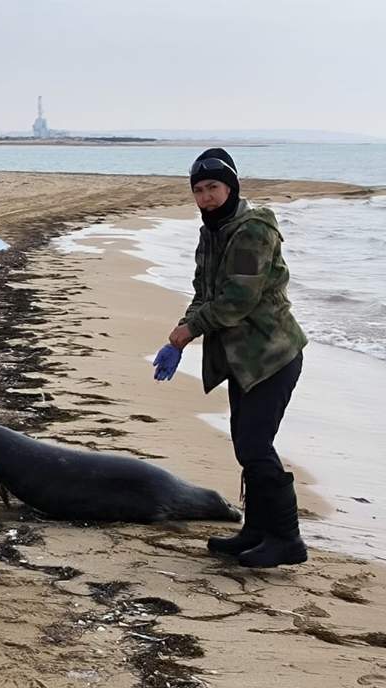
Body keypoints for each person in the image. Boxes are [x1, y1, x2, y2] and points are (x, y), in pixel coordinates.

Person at [154, 148, 308, 568]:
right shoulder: (212, 232)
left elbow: (238, 300)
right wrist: (179, 335)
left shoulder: (253, 229)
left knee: (256, 445)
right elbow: (204, 293)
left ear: (232, 187)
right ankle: (256, 530)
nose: (206, 197)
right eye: (199, 190)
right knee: (246, 445)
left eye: (213, 188)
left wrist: (186, 333)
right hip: (242, 359)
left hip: (272, 355)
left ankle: (286, 538)